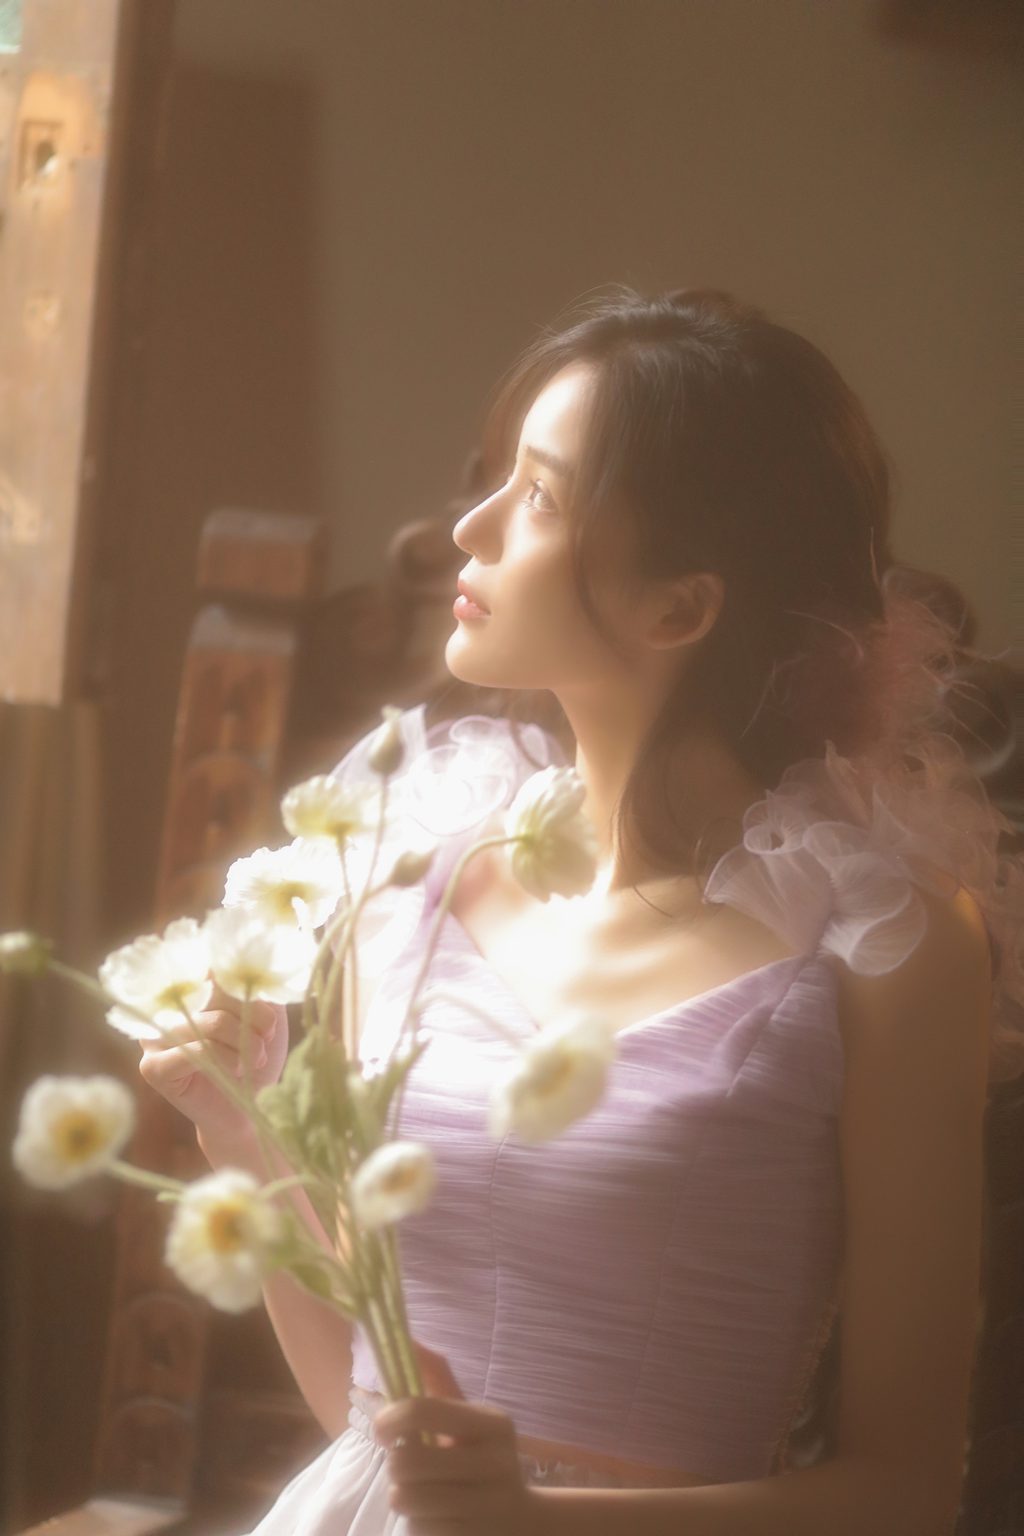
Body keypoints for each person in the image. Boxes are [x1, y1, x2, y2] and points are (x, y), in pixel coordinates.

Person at [139, 286, 1024, 1536]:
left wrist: (543, 1524)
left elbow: (905, 1494)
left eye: (541, 498)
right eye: (498, 478)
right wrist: (249, 1140)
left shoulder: (881, 946)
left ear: (681, 606)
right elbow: (368, 1422)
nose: (473, 525)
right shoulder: (413, 880)